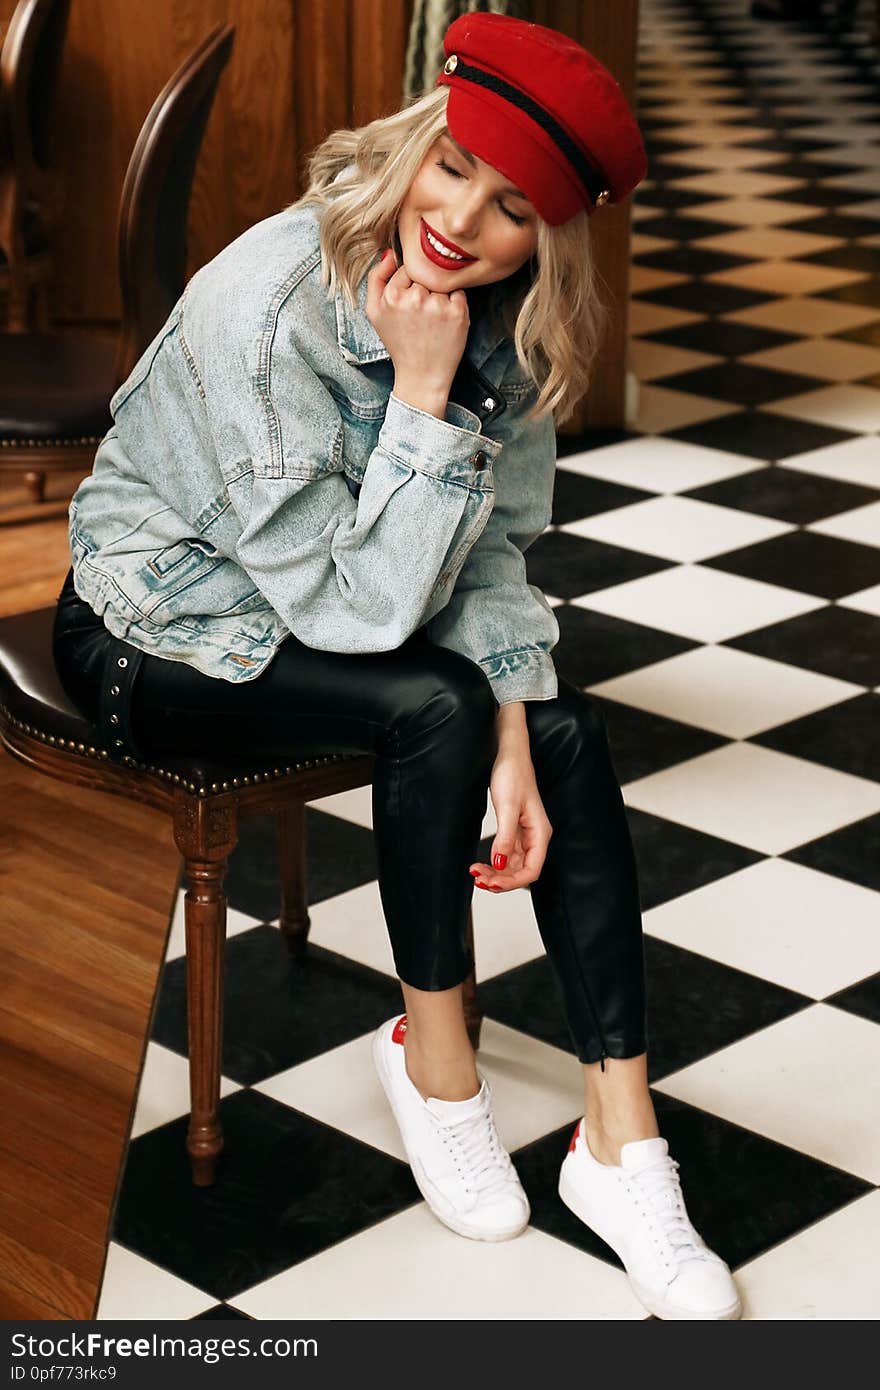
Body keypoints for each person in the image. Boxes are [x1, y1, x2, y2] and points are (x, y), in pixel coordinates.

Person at [52, 13, 742, 1320]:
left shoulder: (512, 323)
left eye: (515, 207)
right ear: (423, 133)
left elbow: (489, 566)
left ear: (549, 237)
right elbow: (355, 614)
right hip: (159, 624)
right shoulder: (280, 307)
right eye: (457, 167)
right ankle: (436, 1073)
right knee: (433, 704)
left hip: (340, 602)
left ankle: (621, 1142)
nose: (465, 221)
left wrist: (516, 745)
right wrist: (420, 398)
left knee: (566, 733)